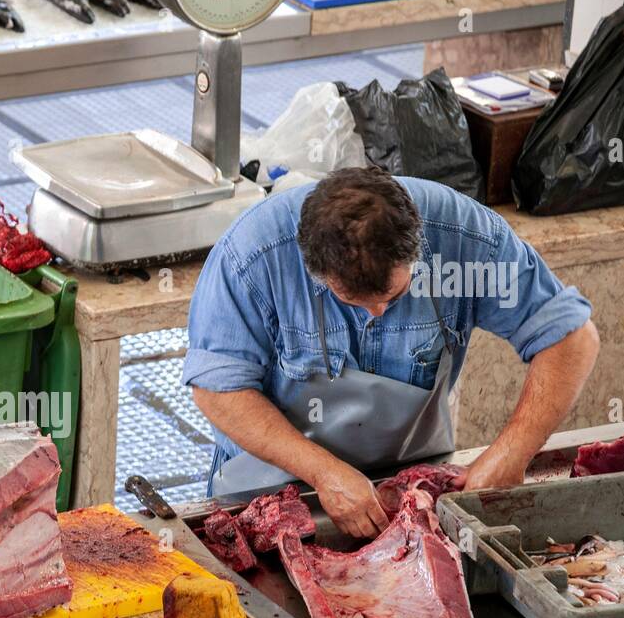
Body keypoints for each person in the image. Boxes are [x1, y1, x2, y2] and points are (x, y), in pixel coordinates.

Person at [182, 167, 600, 538]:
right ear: (315, 270)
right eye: (351, 301)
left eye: (395, 296)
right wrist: (323, 472)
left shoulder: (465, 237)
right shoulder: (252, 255)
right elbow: (218, 390)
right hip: (271, 496)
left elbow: (571, 337)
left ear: (418, 247)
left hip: (411, 491)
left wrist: (512, 453)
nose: (377, 314)